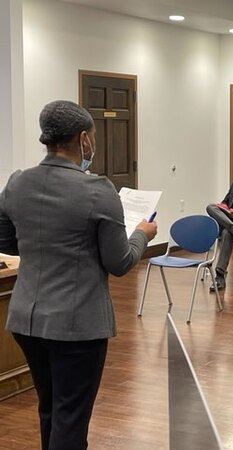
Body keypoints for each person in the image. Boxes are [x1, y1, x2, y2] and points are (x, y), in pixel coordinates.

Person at [0, 100, 158, 450]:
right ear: (84, 138)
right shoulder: (97, 190)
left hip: (26, 320)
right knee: (71, 418)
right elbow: (119, 263)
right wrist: (141, 235)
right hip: (77, 325)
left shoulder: (16, 183)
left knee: (50, 409)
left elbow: (6, 242)